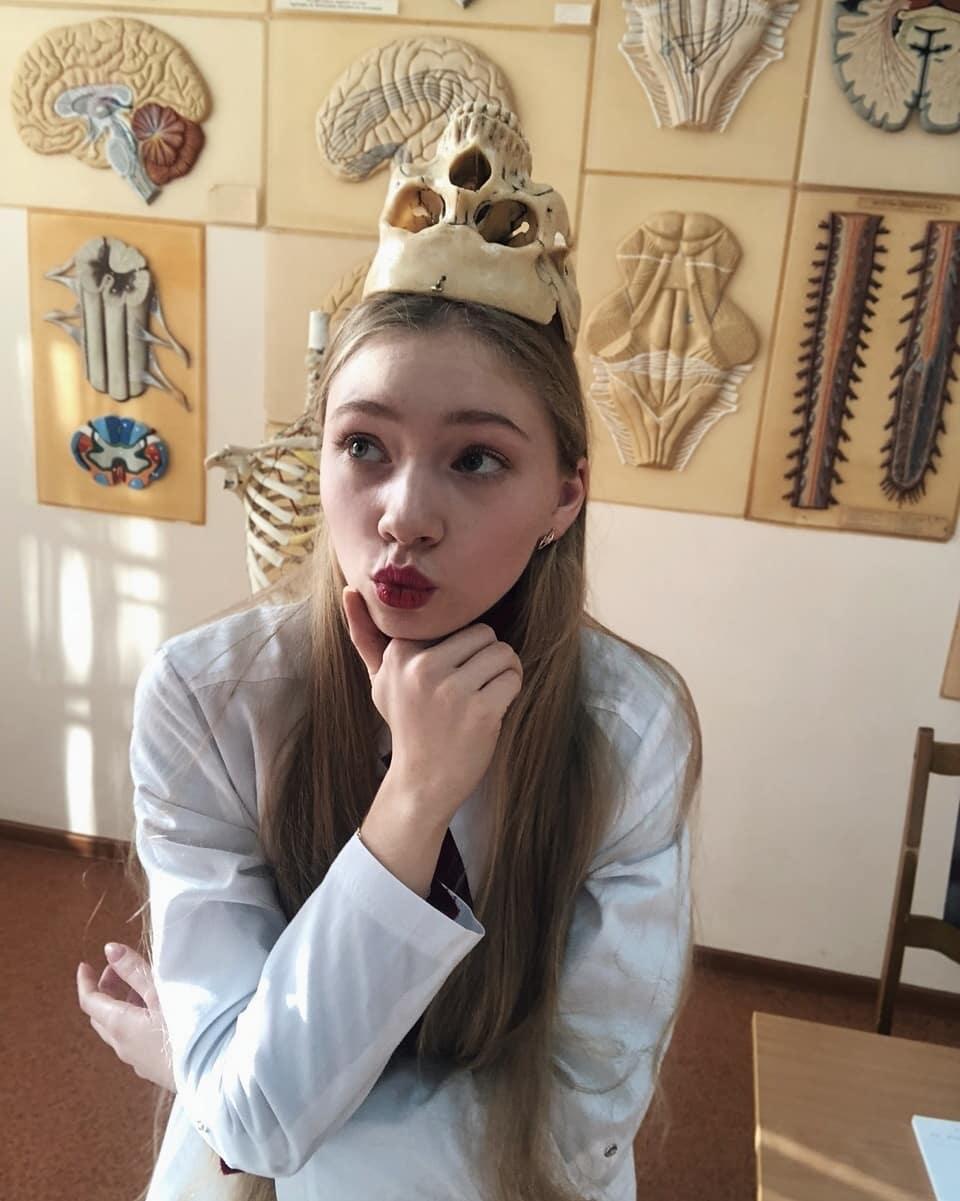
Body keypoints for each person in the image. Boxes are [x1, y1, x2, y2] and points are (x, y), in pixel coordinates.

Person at [76, 100, 701, 1201]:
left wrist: (210, 1076)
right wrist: (413, 801)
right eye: (364, 444)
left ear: (563, 498)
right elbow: (252, 1123)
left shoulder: (629, 728)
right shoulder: (212, 694)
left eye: (476, 460)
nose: (404, 515)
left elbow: (569, 1136)